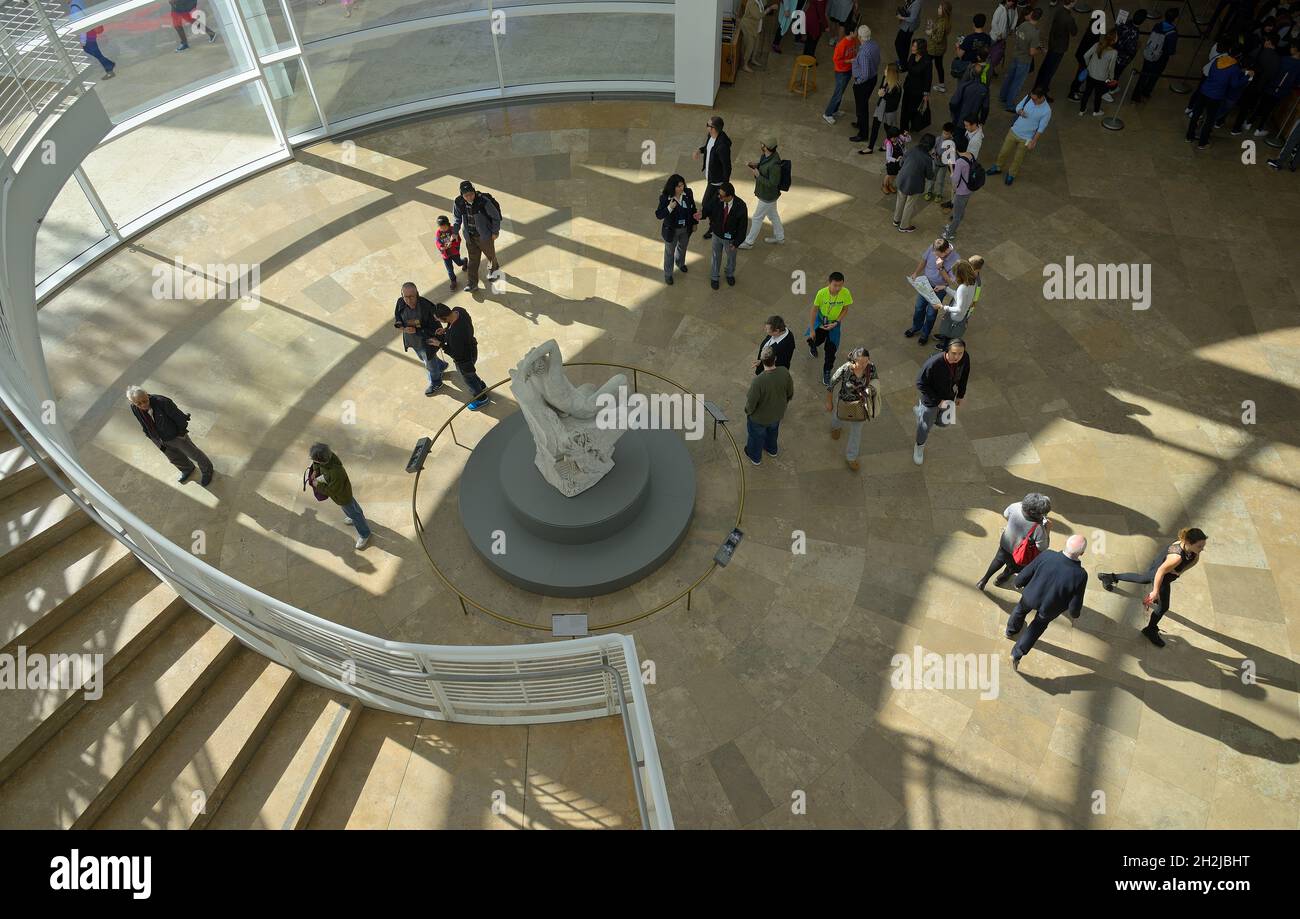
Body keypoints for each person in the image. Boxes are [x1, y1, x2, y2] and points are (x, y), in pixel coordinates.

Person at [1099, 527, 1209, 648]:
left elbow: (1194, 560)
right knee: (1163, 607)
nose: (1202, 549)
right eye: (1199, 546)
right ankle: (1150, 630)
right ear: (1188, 542)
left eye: (1202, 546)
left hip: (1160, 565)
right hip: (1161, 575)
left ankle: (1109, 577)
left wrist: (1179, 572)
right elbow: (1161, 572)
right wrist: (1155, 591)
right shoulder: (1177, 557)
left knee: (1142, 578)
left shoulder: (1189, 548)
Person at [1006, 535, 1089, 671]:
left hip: (1030, 596)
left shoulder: (1047, 555)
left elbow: (1028, 571)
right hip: (1050, 608)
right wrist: (1075, 613)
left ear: (1066, 544)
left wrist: (1018, 582)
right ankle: (1016, 654)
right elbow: (1076, 600)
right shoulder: (1080, 575)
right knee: (1036, 628)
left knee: (1020, 610)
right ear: (1082, 553)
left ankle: (1011, 631)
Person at [126, 385, 214, 486]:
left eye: (145, 401)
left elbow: (180, 419)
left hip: (176, 436)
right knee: (173, 457)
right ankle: (187, 469)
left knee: (194, 454)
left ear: (147, 395)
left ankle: (207, 470)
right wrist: (150, 436)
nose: (143, 405)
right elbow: (142, 422)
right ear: (133, 402)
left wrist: (181, 435)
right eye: (138, 403)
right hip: (158, 439)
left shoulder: (163, 402)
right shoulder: (134, 408)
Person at [976, 492, 1052, 590]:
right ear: (1036, 513)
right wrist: (1048, 530)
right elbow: (1042, 547)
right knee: (1012, 568)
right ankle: (1001, 579)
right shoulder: (1038, 528)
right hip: (1021, 553)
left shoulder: (1015, 506)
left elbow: (1006, 514)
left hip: (1006, 542)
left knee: (998, 560)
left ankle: (983, 580)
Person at [913, 338, 969, 464]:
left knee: (945, 422)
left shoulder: (965, 358)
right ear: (947, 351)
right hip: (932, 400)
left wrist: (961, 395)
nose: (957, 357)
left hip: (949, 396)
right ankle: (919, 446)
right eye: (954, 353)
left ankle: (921, 413)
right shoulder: (933, 363)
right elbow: (920, 384)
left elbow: (964, 376)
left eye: (960, 353)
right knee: (925, 426)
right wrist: (938, 401)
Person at [1187, 44, 1253, 148]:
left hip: (1204, 90)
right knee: (1209, 120)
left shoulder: (1218, 60)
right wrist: (1247, 77)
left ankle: (1189, 136)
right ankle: (1202, 142)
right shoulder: (1234, 68)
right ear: (1239, 56)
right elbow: (1234, 84)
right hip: (1216, 96)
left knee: (1196, 114)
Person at [308, 443, 370, 551]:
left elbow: (332, 491)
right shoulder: (328, 457)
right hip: (342, 495)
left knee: (353, 511)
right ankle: (354, 516)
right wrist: (315, 471)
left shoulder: (336, 473)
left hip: (342, 496)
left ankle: (365, 534)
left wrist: (318, 485)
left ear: (321, 460)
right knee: (352, 508)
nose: (313, 461)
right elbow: (316, 463)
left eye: (315, 460)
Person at [824, 347, 878, 471]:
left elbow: (875, 381)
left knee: (856, 432)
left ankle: (851, 457)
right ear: (853, 361)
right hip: (844, 402)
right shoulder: (845, 369)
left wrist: (871, 391)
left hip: (860, 405)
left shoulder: (871, 368)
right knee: (837, 417)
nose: (864, 365)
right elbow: (831, 384)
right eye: (861, 362)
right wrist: (829, 401)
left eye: (867, 361)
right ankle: (835, 428)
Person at [987, 85, 1051, 185]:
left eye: (1035, 99)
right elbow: (1018, 107)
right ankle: (997, 167)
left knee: (1018, 158)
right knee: (1003, 151)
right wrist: (1020, 111)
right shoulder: (1029, 97)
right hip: (1014, 131)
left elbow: (1041, 128)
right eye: (1032, 98)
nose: (1032, 100)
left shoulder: (1046, 111)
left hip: (1026, 138)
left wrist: (1033, 141)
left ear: (1042, 97)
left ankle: (1011, 174)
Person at [432, 303, 490, 410]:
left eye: (439, 320)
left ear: (444, 318)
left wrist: (439, 344)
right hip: (472, 348)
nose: (439, 322)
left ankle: (481, 398)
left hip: (464, 360)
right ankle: (482, 386)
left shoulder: (455, 334)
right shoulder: (459, 310)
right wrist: (446, 330)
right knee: (471, 374)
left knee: (468, 378)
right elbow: (455, 324)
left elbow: (456, 354)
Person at [902, 237, 960, 344]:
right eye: (934, 252)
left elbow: (951, 281)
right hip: (925, 283)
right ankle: (916, 327)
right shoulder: (934, 247)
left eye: (937, 254)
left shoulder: (955, 260)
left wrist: (940, 268)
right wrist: (916, 272)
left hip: (939, 288)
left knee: (931, 313)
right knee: (919, 307)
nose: (934, 254)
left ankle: (925, 334)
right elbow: (924, 260)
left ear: (946, 251)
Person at [743, 346, 795, 465]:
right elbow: (790, 393)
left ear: (761, 360)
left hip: (759, 418)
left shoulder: (758, 381)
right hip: (777, 413)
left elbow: (751, 402)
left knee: (756, 437)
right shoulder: (784, 372)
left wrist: (748, 412)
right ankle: (772, 450)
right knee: (773, 432)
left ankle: (755, 457)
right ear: (775, 358)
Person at [393, 283, 446, 396]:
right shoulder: (400, 302)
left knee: (429, 364)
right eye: (405, 296)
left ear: (417, 294)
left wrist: (417, 331)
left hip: (427, 342)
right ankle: (441, 366)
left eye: (411, 296)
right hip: (412, 340)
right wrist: (401, 326)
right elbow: (397, 316)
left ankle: (436, 382)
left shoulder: (426, 307)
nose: (408, 300)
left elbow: (435, 328)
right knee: (423, 357)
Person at [451, 181, 503, 291]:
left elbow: (496, 217)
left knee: (490, 255)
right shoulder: (459, 202)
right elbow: (457, 218)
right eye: (466, 195)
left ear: (474, 191)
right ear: (462, 195)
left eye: (471, 194)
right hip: (470, 236)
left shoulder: (483, 201)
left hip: (484, 236)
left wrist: (495, 232)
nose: (469, 197)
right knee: (473, 260)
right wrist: (455, 232)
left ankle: (494, 268)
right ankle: (472, 284)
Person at [806, 271, 854, 385]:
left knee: (831, 350)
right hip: (821, 322)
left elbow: (845, 309)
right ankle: (812, 345)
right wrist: (812, 329)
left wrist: (836, 322)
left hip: (834, 324)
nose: (838, 288)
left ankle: (827, 371)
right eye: (835, 285)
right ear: (829, 283)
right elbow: (814, 310)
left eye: (840, 285)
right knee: (816, 339)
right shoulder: (821, 293)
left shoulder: (845, 293)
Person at [740, 137, 785, 248]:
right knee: (773, 215)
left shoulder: (774, 165)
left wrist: (758, 175)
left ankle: (749, 242)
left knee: (756, 218)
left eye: (763, 144)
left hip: (768, 196)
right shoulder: (767, 156)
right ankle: (780, 237)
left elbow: (773, 183)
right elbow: (764, 165)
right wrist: (756, 165)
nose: (761, 146)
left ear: (767, 147)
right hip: (768, 195)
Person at [702, 182, 748, 290]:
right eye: (719, 194)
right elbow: (708, 208)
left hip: (731, 239)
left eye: (722, 196)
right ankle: (714, 277)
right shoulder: (718, 199)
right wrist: (702, 214)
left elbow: (743, 227)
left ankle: (729, 274)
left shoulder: (741, 206)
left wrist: (737, 243)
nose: (719, 197)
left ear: (730, 196)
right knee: (715, 256)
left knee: (731, 258)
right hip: (717, 234)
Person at [655, 174, 700, 285]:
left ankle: (680, 263)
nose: (681, 188)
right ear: (672, 187)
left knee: (683, 247)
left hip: (686, 228)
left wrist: (695, 223)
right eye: (678, 186)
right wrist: (669, 208)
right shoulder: (665, 198)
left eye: (682, 185)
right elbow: (659, 215)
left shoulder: (688, 193)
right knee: (669, 252)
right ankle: (668, 274)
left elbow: (693, 207)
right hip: (672, 230)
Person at [693, 115, 732, 238]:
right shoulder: (711, 136)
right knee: (712, 206)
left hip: (717, 183)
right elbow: (708, 149)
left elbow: (727, 167)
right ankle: (714, 225)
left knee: (706, 204)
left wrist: (724, 185)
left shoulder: (722, 147)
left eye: (708, 125)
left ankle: (714, 227)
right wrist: (700, 150)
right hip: (711, 179)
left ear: (713, 128)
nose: (706, 127)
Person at [1034, 0, 1079, 100]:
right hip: (1059, 47)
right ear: (1071, 3)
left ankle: (1037, 86)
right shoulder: (1069, 18)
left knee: (1045, 66)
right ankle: (1041, 91)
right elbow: (1074, 32)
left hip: (1053, 43)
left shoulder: (1058, 10)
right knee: (1050, 71)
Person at [1132, 8, 1180, 103]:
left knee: (1144, 74)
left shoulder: (1157, 25)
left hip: (1149, 53)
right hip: (1161, 58)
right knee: (1154, 76)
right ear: (1174, 18)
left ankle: (1136, 95)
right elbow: (1170, 50)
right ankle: (1146, 91)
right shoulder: (1173, 33)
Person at [1000, 7, 1044, 111]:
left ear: (1031, 14)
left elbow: (1018, 37)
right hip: (1024, 60)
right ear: (1039, 18)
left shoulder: (1023, 25)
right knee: (1017, 83)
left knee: (1009, 78)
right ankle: (1009, 104)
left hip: (1016, 55)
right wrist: (1040, 50)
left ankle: (1003, 96)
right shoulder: (1035, 33)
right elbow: (1032, 52)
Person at [893, 131, 936, 232]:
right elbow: (930, 176)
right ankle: (903, 226)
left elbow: (901, 163)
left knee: (900, 200)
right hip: (914, 185)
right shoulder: (927, 159)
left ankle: (896, 220)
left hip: (902, 179)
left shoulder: (912, 149)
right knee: (909, 205)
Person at [934, 254, 982, 341]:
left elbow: (959, 309)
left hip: (956, 316)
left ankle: (945, 345)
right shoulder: (972, 281)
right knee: (947, 329)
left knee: (949, 331)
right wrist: (945, 288)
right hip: (960, 314)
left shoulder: (962, 288)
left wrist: (943, 307)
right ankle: (944, 337)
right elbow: (959, 296)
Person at [849, 26, 883, 142]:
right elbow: (878, 60)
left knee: (862, 107)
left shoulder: (863, 52)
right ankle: (860, 123)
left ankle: (863, 134)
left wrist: (857, 82)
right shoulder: (874, 44)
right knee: (861, 105)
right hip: (873, 79)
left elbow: (865, 74)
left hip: (863, 83)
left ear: (859, 37)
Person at [862, 62, 904, 152]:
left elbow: (894, 103)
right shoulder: (885, 78)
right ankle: (870, 147)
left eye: (886, 69)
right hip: (881, 107)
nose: (884, 71)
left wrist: (883, 95)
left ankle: (891, 144)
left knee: (888, 129)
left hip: (889, 112)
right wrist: (881, 92)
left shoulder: (897, 88)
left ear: (891, 73)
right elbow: (881, 88)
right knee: (875, 127)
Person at [824, 24, 861, 123]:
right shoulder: (842, 44)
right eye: (856, 31)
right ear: (851, 32)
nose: (858, 33)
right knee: (838, 93)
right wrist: (850, 61)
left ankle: (835, 110)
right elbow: (836, 60)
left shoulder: (853, 40)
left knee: (841, 92)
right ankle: (827, 113)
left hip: (848, 70)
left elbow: (854, 51)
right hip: (841, 71)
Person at [70, 0, 115, 78]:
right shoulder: (78, 2)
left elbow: (82, 26)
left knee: (93, 52)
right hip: (91, 33)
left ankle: (109, 69)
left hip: (87, 35)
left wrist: (83, 40)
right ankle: (109, 64)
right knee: (94, 52)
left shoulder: (74, 7)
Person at [1111, 9, 1147, 102]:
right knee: (1116, 74)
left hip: (1112, 52)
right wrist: (1137, 47)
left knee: (1111, 70)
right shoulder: (1134, 33)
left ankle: (1109, 85)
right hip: (1121, 58)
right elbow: (1130, 50)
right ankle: (1110, 89)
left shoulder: (1125, 23)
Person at [1078, 31, 1118, 116]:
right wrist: (1111, 78)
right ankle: (1096, 111)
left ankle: (1082, 110)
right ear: (1113, 40)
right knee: (1098, 95)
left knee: (1087, 92)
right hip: (1102, 78)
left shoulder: (1097, 45)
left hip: (1091, 74)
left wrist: (1089, 65)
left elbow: (1085, 56)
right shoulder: (1114, 52)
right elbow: (1111, 68)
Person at [901, 38, 934, 132]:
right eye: (913, 45)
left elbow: (928, 78)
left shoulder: (927, 61)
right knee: (905, 108)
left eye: (915, 46)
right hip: (908, 87)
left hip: (918, 91)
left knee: (914, 109)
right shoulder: (912, 56)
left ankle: (914, 126)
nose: (912, 47)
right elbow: (908, 67)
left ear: (921, 48)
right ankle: (903, 128)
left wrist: (926, 94)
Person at [949, 60, 992, 125]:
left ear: (972, 73)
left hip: (960, 119)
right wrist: (982, 121)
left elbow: (953, 103)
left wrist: (954, 114)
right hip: (973, 123)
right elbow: (985, 108)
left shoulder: (964, 86)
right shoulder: (985, 90)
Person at [739, 0, 777, 72]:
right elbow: (758, 16)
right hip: (749, 26)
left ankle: (753, 59)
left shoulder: (759, 0)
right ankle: (745, 65)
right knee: (750, 45)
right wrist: (770, 8)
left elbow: (764, 3)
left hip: (756, 26)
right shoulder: (751, 2)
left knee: (756, 44)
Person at [926, 1, 954, 92]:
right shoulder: (945, 20)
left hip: (934, 49)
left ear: (944, 11)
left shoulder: (942, 23)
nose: (938, 9)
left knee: (926, 64)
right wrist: (933, 26)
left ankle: (925, 84)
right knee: (938, 65)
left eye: (940, 8)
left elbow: (938, 39)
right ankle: (941, 85)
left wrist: (930, 33)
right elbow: (940, 32)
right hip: (941, 48)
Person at [434, 216, 467, 290]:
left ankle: (464, 261)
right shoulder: (438, 232)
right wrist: (441, 247)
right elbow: (437, 242)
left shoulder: (453, 230)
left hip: (454, 252)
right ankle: (453, 281)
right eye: (440, 227)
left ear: (448, 224)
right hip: (445, 255)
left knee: (459, 263)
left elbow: (458, 240)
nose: (442, 229)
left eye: (444, 227)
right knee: (450, 270)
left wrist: (452, 244)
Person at [989, 0, 1020, 75]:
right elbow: (994, 23)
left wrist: (1012, 28)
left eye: (1012, 2)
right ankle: (988, 70)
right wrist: (998, 34)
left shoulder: (1013, 8)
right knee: (990, 54)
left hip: (1003, 37)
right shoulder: (999, 10)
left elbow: (1015, 17)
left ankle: (991, 69)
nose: (1011, 3)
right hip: (995, 37)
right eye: (1010, 1)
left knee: (996, 55)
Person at [926, 123, 955, 202]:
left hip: (943, 166)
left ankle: (939, 194)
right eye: (943, 133)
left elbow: (950, 157)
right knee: (931, 178)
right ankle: (929, 191)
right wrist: (933, 153)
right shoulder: (938, 138)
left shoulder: (951, 144)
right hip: (935, 162)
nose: (944, 135)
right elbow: (933, 147)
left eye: (946, 134)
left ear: (951, 134)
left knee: (940, 180)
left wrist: (943, 157)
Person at [896, 0, 923, 64]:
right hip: (906, 25)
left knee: (898, 44)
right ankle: (903, 62)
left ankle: (903, 63)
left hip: (909, 27)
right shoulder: (911, 0)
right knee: (905, 44)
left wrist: (901, 17)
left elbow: (912, 18)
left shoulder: (917, 3)